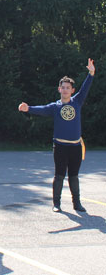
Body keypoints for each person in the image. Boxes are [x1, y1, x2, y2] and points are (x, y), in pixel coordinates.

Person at [18, 58, 95, 213]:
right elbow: (41, 109)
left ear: (72, 90)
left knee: (74, 176)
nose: (65, 89)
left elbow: (86, 87)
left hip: (75, 146)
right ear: (59, 89)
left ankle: (77, 204)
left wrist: (91, 73)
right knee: (59, 175)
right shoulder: (55, 107)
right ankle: (56, 203)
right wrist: (28, 108)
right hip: (60, 146)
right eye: (63, 87)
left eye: (68, 87)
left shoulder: (77, 102)